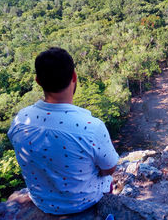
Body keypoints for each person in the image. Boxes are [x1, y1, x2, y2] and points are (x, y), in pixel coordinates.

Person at [8, 47, 119, 215]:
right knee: (107, 180)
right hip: (84, 203)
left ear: (38, 81)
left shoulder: (20, 120)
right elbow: (109, 169)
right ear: (74, 76)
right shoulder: (91, 127)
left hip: (42, 202)